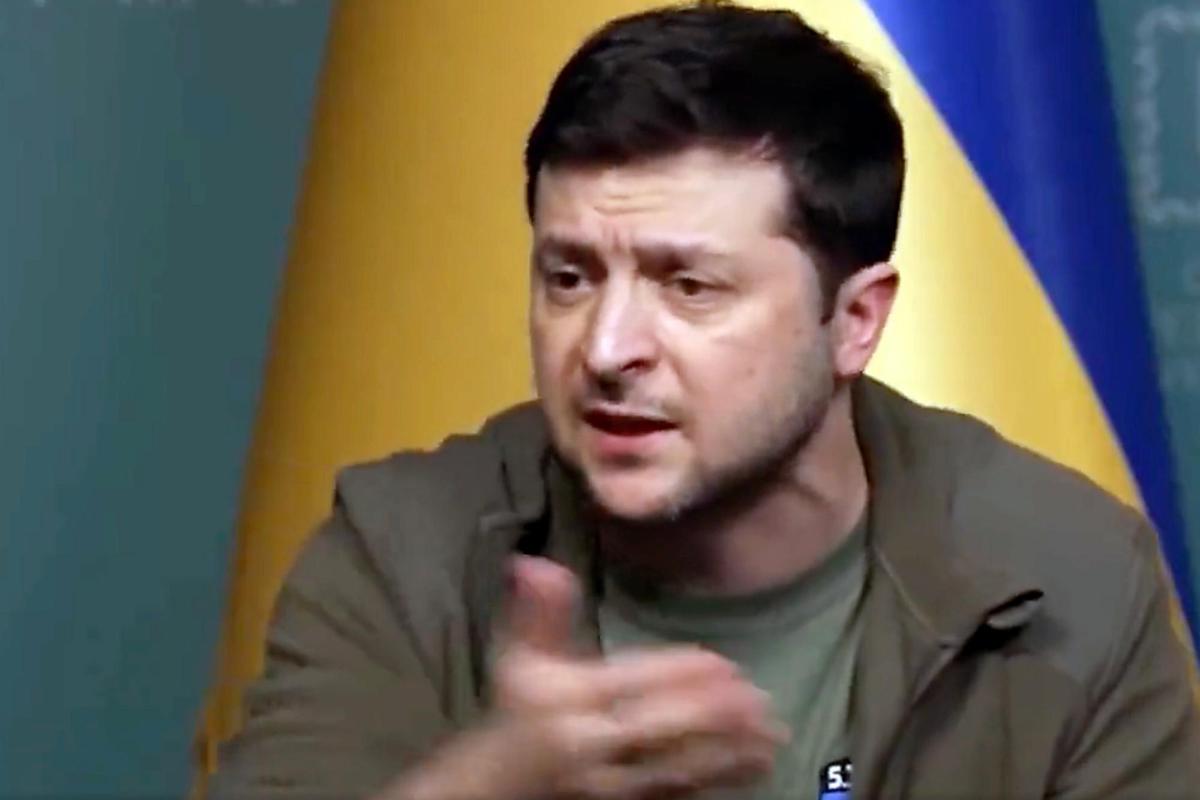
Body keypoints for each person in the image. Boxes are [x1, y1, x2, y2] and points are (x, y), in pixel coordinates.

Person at [209, 3, 1200, 798]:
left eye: (689, 287)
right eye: (569, 277)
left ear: (855, 320)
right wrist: (492, 784)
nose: (606, 350)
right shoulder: (403, 549)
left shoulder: (1066, 577)